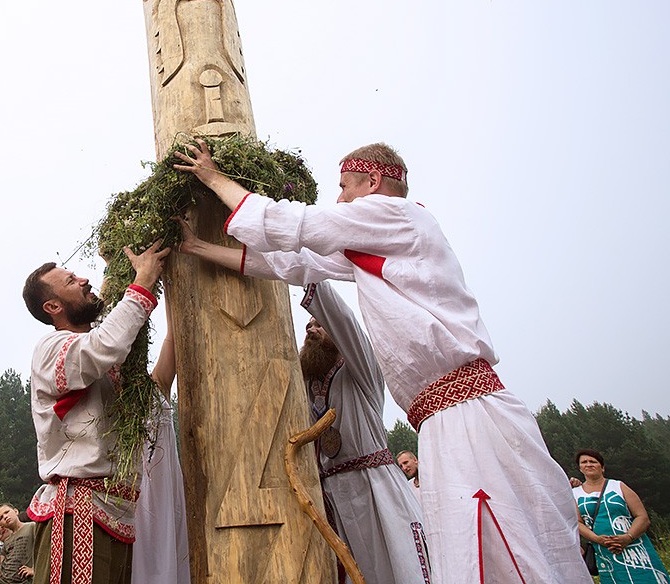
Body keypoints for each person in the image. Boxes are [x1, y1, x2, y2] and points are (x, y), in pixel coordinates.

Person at [174, 139, 590, 584]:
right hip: (443, 419)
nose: (339, 199)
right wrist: (198, 248)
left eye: (344, 187)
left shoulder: (398, 215)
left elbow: (296, 224)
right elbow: (292, 262)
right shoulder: (378, 242)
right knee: (473, 550)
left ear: (372, 182)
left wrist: (211, 176)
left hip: (468, 414)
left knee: (500, 546)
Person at [179, 216, 430, 584]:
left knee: (392, 571)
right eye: (307, 326)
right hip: (325, 495)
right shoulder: (304, 381)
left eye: (318, 325)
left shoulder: (361, 370)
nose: (311, 328)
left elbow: (340, 315)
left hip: (372, 491)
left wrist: (278, 237)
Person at [23, 240, 170, 584]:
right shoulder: (52, 348)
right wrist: (143, 282)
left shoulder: (93, 343)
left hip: (116, 515)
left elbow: (108, 326)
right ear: (53, 306)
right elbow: (105, 346)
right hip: (78, 512)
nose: (83, 280)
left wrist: (117, 261)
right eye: (71, 281)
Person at [132, 306, 191, 584]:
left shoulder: (156, 388)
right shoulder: (105, 405)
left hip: (166, 498)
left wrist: (166, 283)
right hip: (133, 505)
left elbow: (174, 333)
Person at [573, 449, 669, 583]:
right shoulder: (575, 493)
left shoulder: (618, 486)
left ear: (602, 467)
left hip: (635, 548)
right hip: (605, 552)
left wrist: (627, 537)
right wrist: (597, 539)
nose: (588, 464)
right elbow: (578, 523)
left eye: (593, 461)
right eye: (584, 462)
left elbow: (642, 517)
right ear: (580, 468)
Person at [0, 505, 34, 584]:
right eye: (1, 518)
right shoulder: (7, 541)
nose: (5, 517)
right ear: (1, 524)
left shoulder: (32, 527)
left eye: (7, 512)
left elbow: (46, 549)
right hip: (4, 580)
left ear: (16, 511)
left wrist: (35, 570)